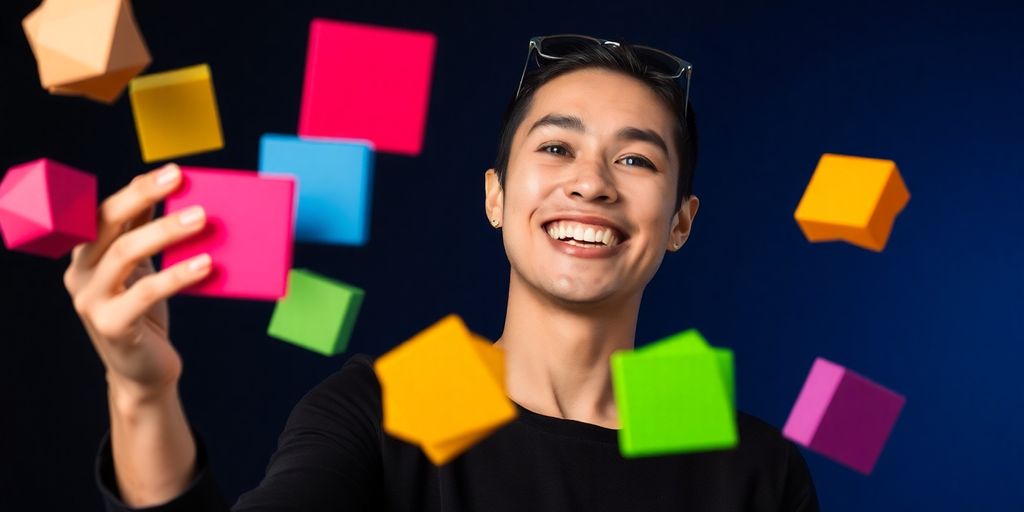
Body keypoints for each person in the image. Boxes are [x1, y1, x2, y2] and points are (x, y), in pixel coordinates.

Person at [63, 34, 820, 511]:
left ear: (680, 222)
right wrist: (141, 393)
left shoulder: (753, 466)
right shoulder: (386, 406)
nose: (591, 183)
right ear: (496, 197)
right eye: (556, 148)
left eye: (635, 159)